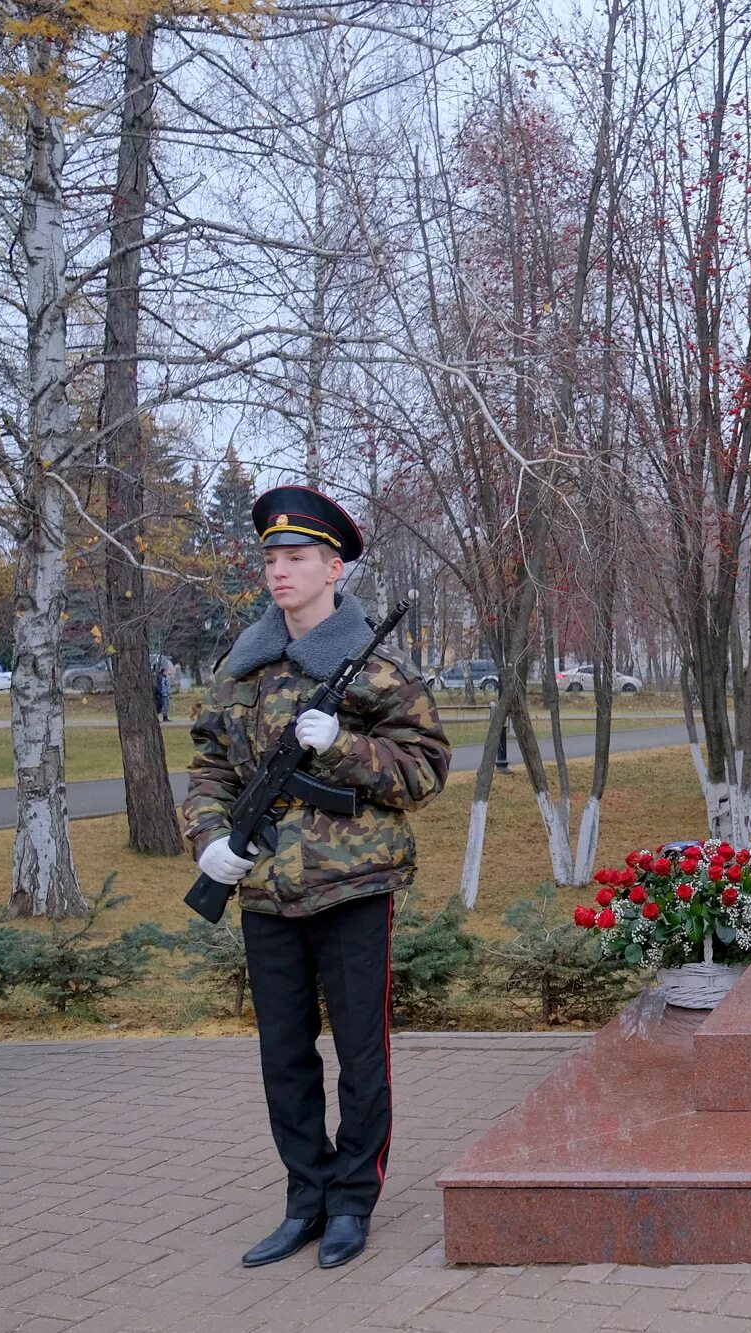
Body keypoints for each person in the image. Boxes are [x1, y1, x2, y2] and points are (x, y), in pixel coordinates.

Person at [183, 484, 450, 1271]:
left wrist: (340, 748)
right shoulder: (244, 662)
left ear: (333, 568)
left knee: (360, 1055)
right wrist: (208, 840)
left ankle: (351, 1200)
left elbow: (426, 771)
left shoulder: (377, 666)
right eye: (270, 557)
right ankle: (304, 1196)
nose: (278, 572)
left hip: (353, 886)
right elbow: (208, 762)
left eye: (295, 558)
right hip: (265, 888)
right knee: (284, 1055)